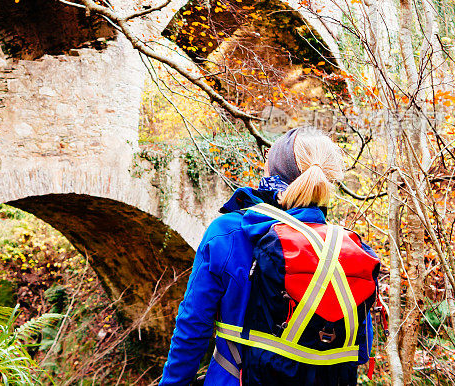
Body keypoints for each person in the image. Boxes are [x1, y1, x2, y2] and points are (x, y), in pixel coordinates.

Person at [159, 127, 379, 386]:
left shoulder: (229, 232)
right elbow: (361, 350)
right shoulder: (344, 248)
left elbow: (193, 327)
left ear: (273, 169)